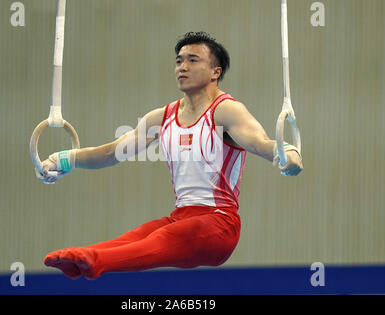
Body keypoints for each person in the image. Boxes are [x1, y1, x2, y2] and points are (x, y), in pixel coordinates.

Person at [36, 31, 303, 280]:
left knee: (163, 237)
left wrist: (287, 153)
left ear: (215, 72)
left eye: (192, 60)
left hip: (219, 225)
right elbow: (110, 153)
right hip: (180, 217)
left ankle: (96, 260)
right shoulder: (161, 118)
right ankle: (80, 258)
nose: (182, 67)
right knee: (140, 234)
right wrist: (63, 159)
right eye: (179, 61)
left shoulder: (226, 111)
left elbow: (260, 143)